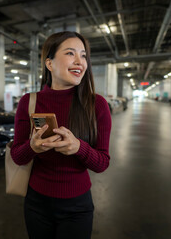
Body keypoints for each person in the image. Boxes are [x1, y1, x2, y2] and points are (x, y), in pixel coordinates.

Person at [10, 31, 112, 239]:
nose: (79, 62)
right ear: (49, 64)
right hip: (36, 204)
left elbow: (102, 163)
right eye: (70, 53)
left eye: (83, 55)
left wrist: (79, 148)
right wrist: (33, 147)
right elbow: (16, 156)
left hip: (77, 207)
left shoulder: (97, 105)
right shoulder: (28, 102)